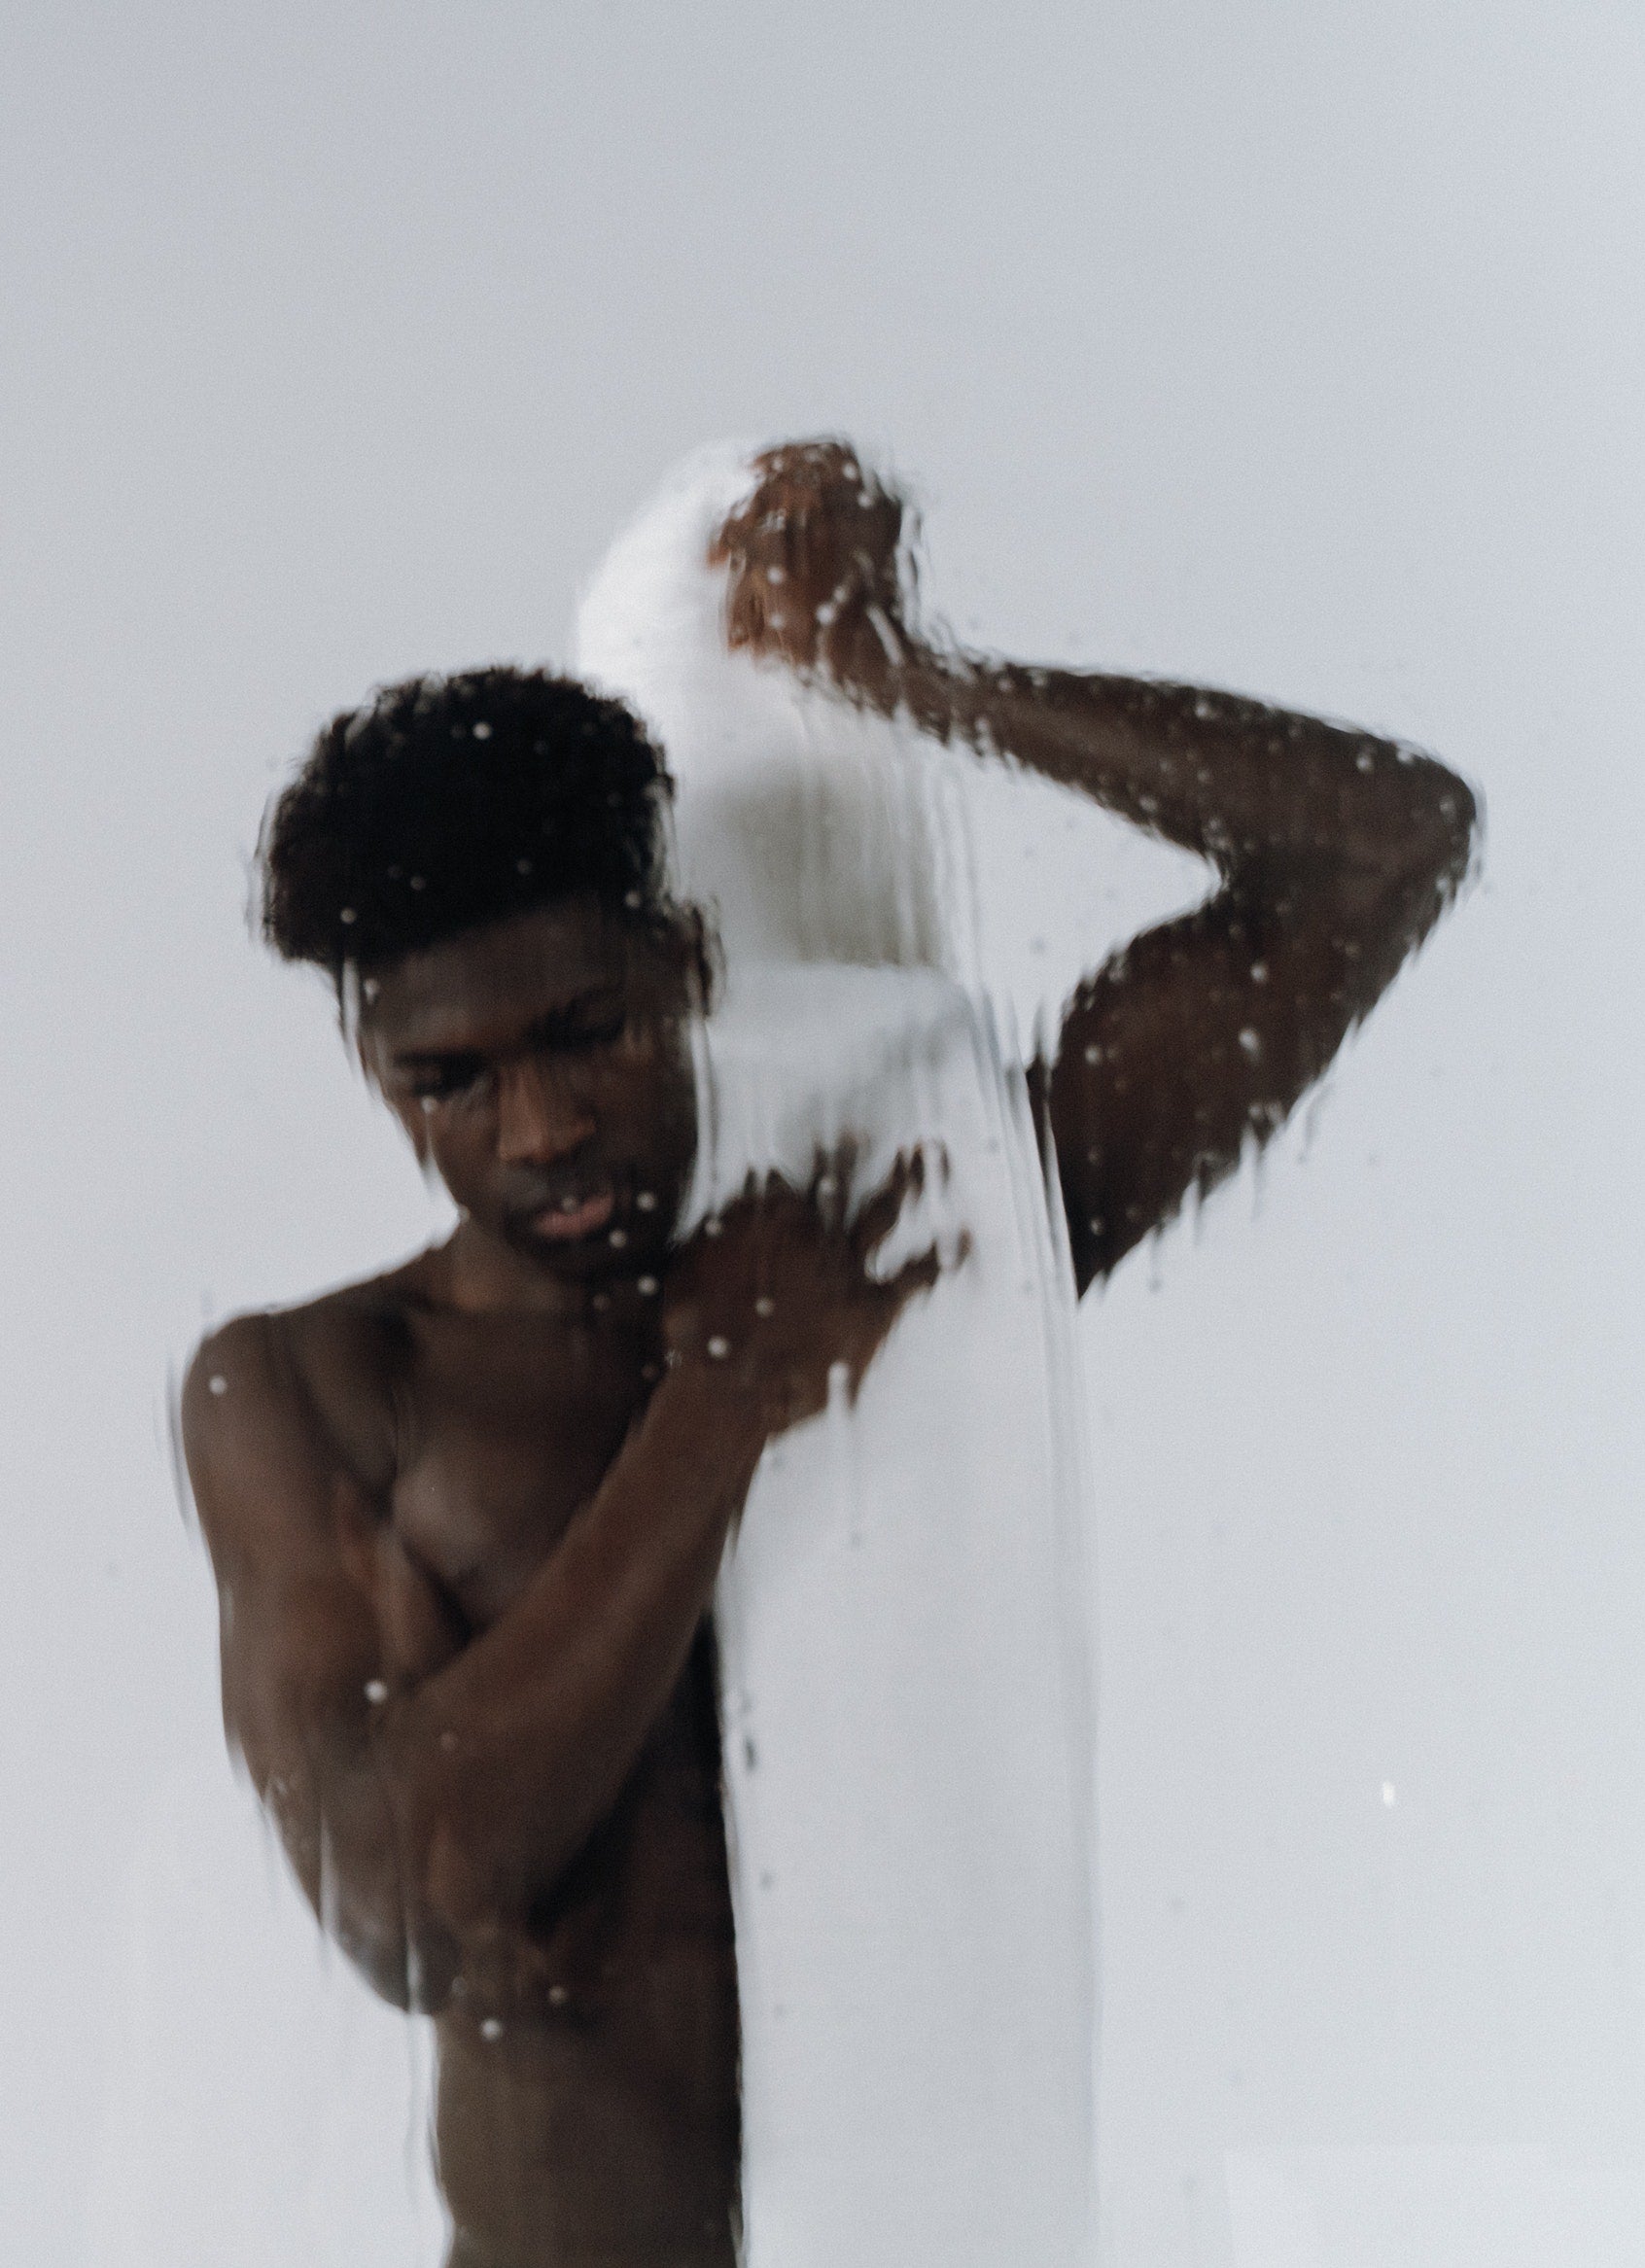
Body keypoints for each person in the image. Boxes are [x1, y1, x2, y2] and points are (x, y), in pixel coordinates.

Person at [178, 439, 1478, 2268]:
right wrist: (722, 1401)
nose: (538, 1127)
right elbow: (413, 1904)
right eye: (447, 1080)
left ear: (684, 959)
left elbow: (1381, 847)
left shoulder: (906, 1231)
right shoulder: (310, 1389)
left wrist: (912, 683)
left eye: (588, 1032)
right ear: (372, 1066)